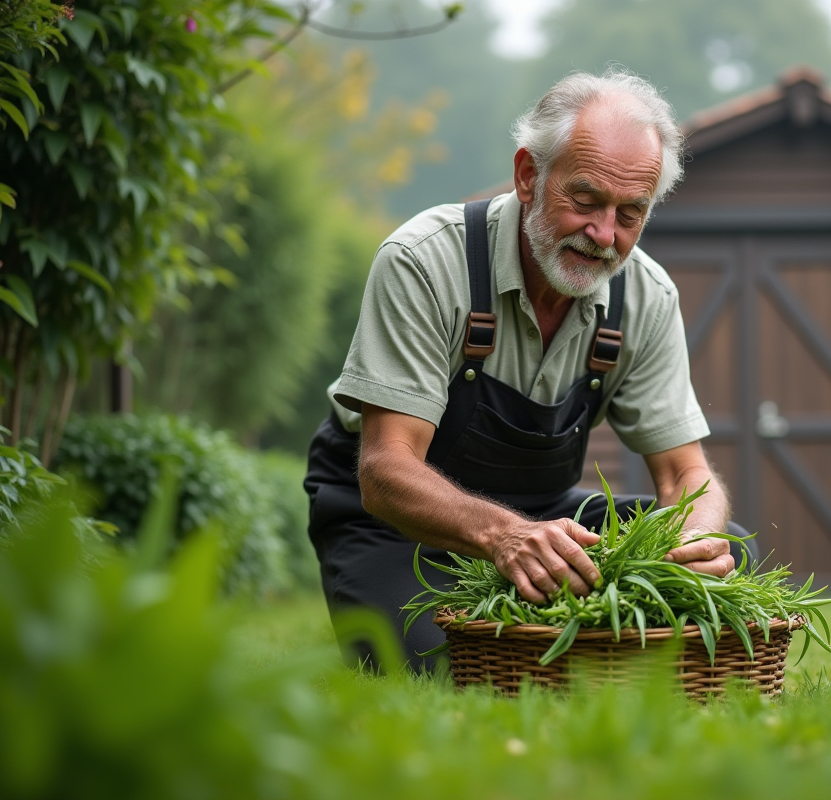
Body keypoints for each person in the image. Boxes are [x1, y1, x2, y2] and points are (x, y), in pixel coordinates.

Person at [304, 69, 755, 671]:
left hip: (546, 517)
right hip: (393, 523)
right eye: (586, 200)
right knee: (439, 666)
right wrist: (505, 538)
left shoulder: (646, 296)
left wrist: (697, 536)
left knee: (736, 555)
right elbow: (385, 470)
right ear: (527, 175)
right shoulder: (424, 260)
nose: (603, 235)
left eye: (630, 214)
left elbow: (686, 472)